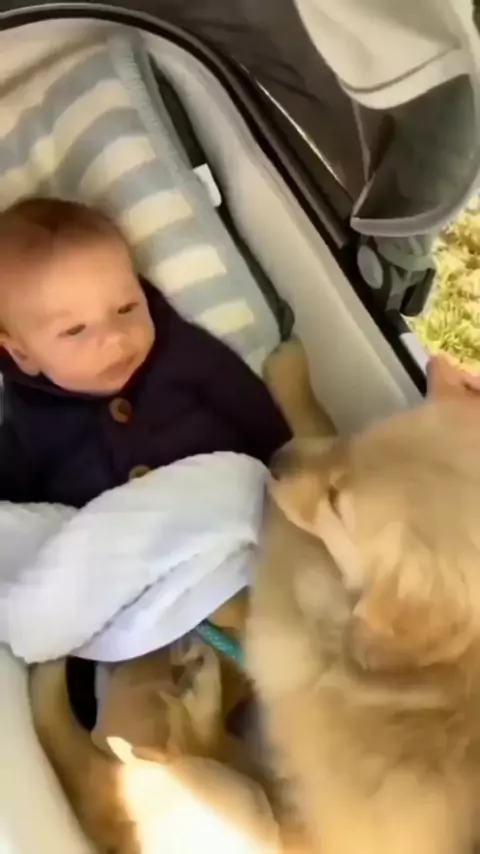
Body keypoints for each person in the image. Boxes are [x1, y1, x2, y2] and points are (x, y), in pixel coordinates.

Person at [0, 197, 291, 509]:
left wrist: (285, 464)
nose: (115, 336)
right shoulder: (29, 417)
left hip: (229, 503)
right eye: (75, 330)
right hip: (115, 534)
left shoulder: (179, 350)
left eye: (126, 308)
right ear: (22, 354)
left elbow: (245, 399)